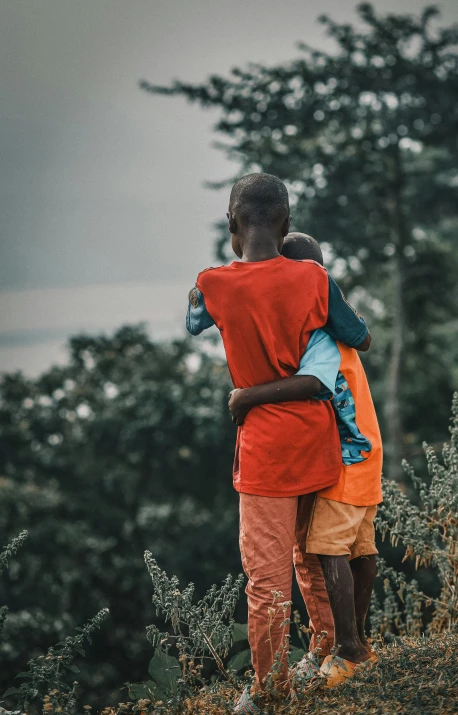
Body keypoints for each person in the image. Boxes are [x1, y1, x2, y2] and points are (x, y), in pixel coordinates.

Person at [185, 175, 371, 712]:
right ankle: (324, 649)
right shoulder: (312, 278)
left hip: (266, 449)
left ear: (232, 228)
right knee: (311, 553)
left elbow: (196, 321)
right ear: (286, 224)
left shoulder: (215, 282)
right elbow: (355, 334)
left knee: (266, 576)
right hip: (317, 442)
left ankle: (270, 689)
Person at [228, 232, 383, 689]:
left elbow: (312, 383)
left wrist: (246, 398)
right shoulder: (338, 331)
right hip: (367, 455)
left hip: (349, 459)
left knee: (325, 550)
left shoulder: (323, 341)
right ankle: (349, 644)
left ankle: (349, 649)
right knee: (360, 548)